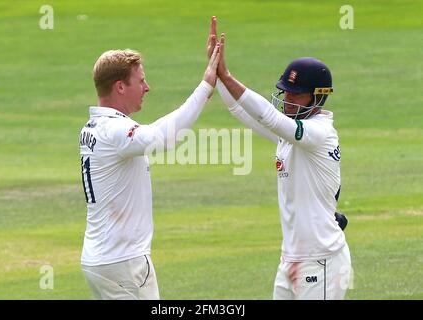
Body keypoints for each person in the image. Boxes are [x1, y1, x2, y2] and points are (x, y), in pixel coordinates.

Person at [207, 17, 351, 300]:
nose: (286, 99)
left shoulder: (318, 133)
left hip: (321, 261)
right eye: (286, 92)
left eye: (296, 95)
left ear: (317, 98)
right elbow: (241, 111)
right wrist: (218, 72)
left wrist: (227, 75)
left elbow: (267, 115)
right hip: (291, 259)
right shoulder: (291, 134)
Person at [79, 45, 220, 300]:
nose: (147, 87)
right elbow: (163, 138)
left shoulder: (92, 127)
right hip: (124, 262)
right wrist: (206, 86)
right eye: (141, 81)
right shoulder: (115, 130)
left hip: (98, 260)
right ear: (120, 86)